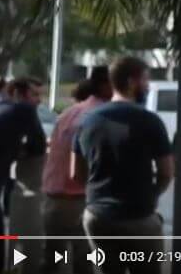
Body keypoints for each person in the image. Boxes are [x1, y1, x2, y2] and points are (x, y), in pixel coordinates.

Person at [71, 57, 174, 274]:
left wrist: (98, 194)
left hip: (98, 217)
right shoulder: (150, 121)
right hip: (139, 216)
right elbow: (166, 172)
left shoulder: (87, 122)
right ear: (131, 82)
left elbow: (76, 173)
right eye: (145, 80)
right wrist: (152, 195)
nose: (147, 86)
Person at [41, 67, 112, 274]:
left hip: (53, 199)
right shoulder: (101, 116)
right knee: (83, 262)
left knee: (52, 260)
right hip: (79, 199)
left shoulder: (69, 113)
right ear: (105, 85)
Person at [0, 77, 47, 274]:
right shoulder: (24, 110)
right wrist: (18, 151)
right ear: (18, 94)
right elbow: (38, 145)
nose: (39, 100)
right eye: (34, 94)